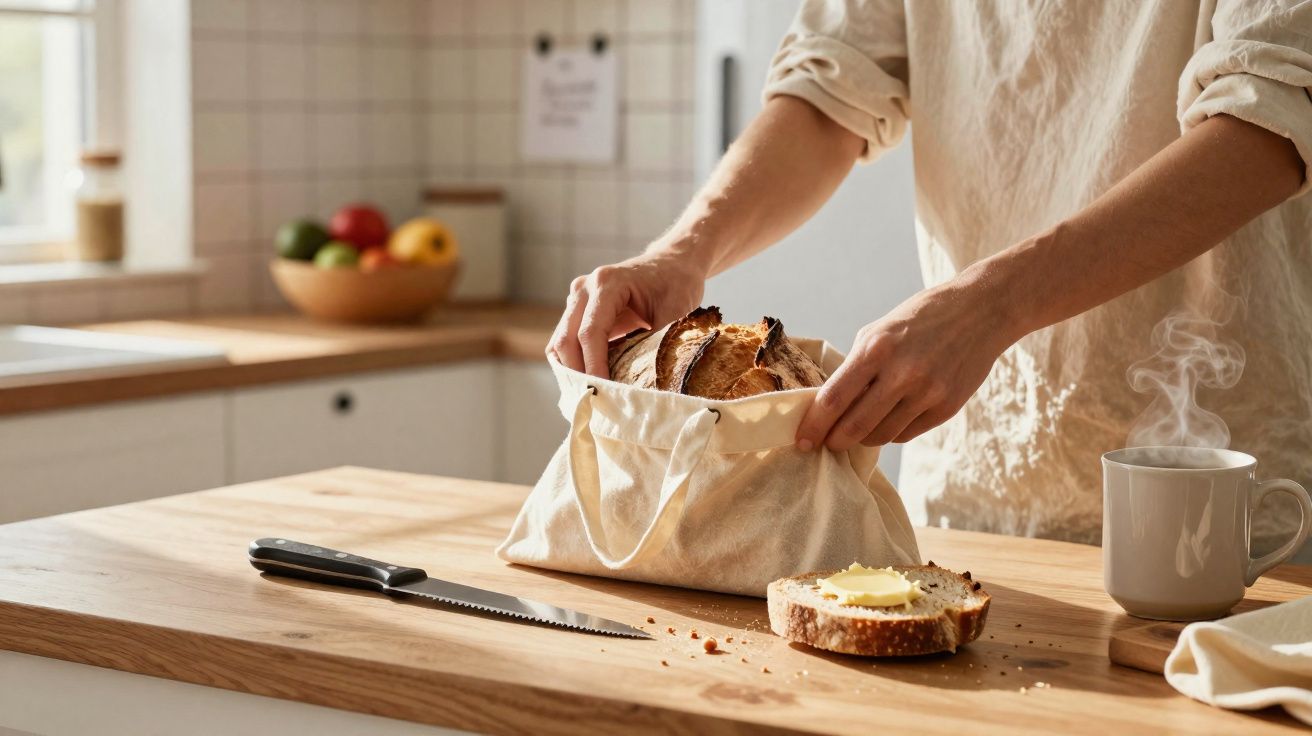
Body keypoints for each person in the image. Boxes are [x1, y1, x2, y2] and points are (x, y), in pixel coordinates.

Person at [547, 1, 1312, 552]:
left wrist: (992, 304)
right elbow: (829, 87)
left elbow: (1268, 116)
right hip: (961, 501)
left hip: (1224, 508)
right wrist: (684, 250)